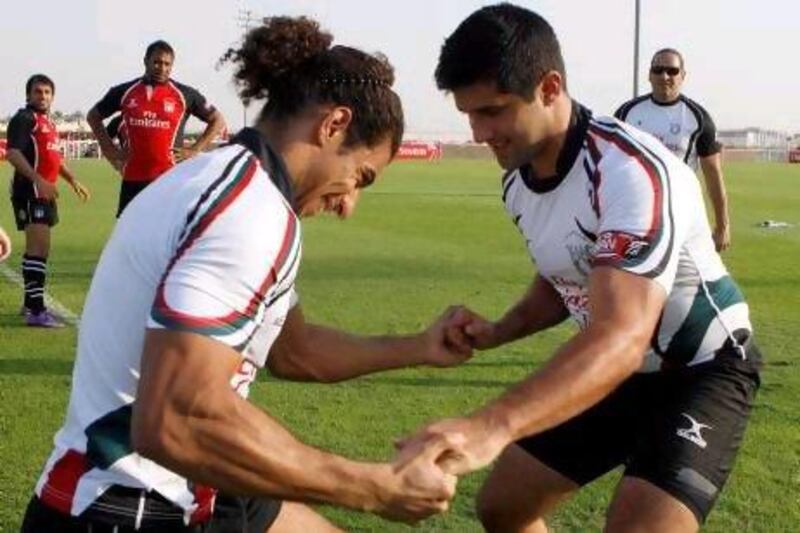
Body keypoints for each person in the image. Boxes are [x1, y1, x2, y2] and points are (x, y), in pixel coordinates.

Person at [21, 16, 470, 533]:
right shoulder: (249, 212)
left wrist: (419, 346)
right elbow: (174, 418)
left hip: (182, 487)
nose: (350, 202)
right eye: (360, 176)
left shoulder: (227, 182)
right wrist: (370, 486)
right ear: (334, 125)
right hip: (128, 506)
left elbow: (295, 350)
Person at [396, 4, 761, 532]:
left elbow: (621, 334)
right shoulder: (517, 179)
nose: (479, 133)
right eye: (469, 114)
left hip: (701, 370)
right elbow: (565, 271)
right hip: (616, 370)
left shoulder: (630, 171)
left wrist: (489, 426)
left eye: (493, 111)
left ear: (549, 87)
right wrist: (499, 331)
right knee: (504, 507)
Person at [87, 40, 226, 216]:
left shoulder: (185, 94)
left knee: (166, 237)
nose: (162, 68)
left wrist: (195, 149)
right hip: (133, 179)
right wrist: (109, 149)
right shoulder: (125, 91)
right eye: (157, 62)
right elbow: (93, 116)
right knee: (131, 237)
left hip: (170, 179)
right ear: (146, 61)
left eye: (167, 64)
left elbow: (217, 120)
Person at [615, 49, 731, 252]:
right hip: (635, 215)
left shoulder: (698, 118)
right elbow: (610, 166)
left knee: (689, 280)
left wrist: (723, 225)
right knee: (634, 280)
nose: (664, 76)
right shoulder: (626, 113)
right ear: (649, 75)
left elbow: (713, 173)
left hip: (681, 215)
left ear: (683, 76)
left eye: (672, 71)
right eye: (658, 70)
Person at [6, 74, 91, 327]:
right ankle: (36, 311)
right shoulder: (25, 119)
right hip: (30, 191)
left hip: (42, 192)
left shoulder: (49, 124)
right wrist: (38, 180)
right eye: (37, 92)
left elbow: (53, 159)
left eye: (46, 92)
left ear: (52, 96)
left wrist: (72, 180)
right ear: (28, 95)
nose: (42, 96)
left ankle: (28, 303)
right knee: (39, 250)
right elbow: (12, 153)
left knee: (36, 249)